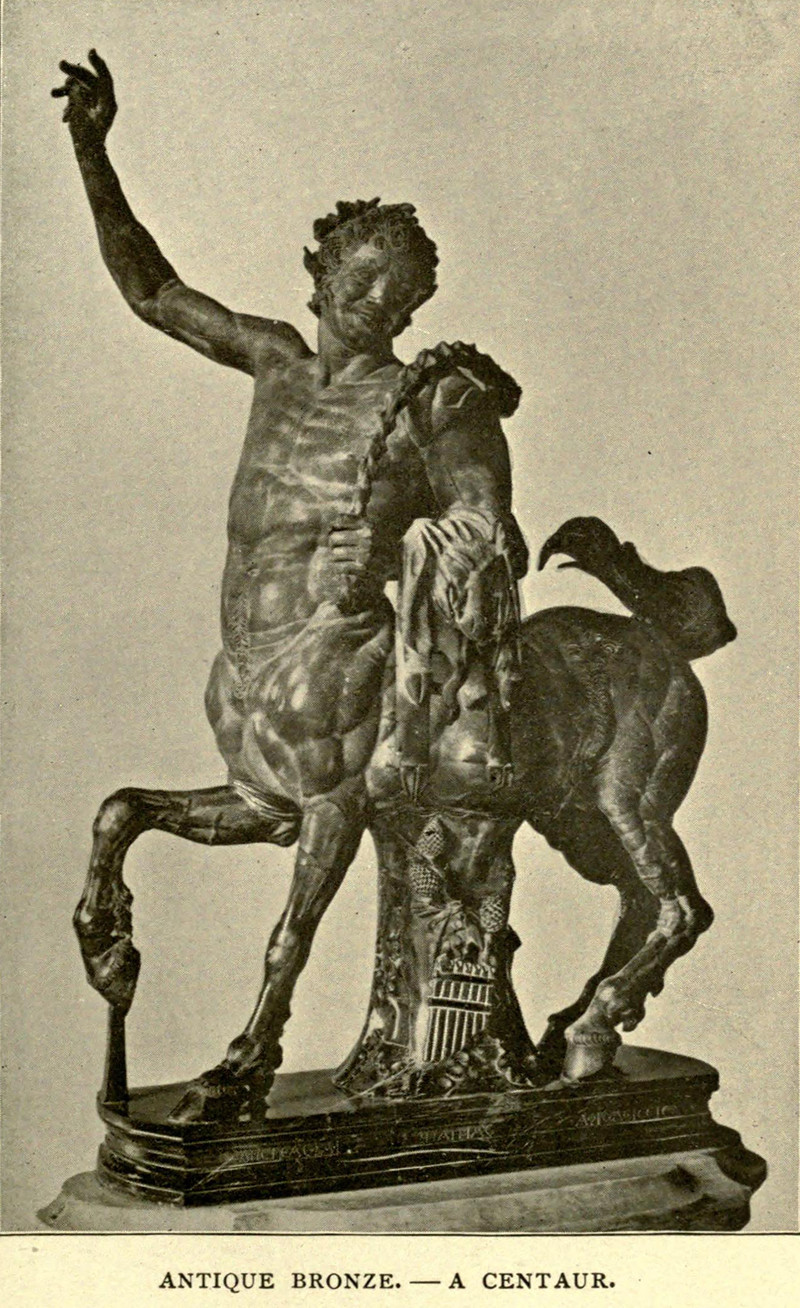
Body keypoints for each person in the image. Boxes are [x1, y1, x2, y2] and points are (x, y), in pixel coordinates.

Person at [53, 52, 528, 1119]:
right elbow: (151, 290)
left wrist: (400, 552)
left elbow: (486, 522)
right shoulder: (270, 359)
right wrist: (90, 148)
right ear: (321, 272)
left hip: (346, 661)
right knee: (139, 810)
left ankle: (257, 1047)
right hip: (248, 670)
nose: (379, 301)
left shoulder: (433, 400)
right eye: (363, 278)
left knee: (334, 821)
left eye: (400, 289)